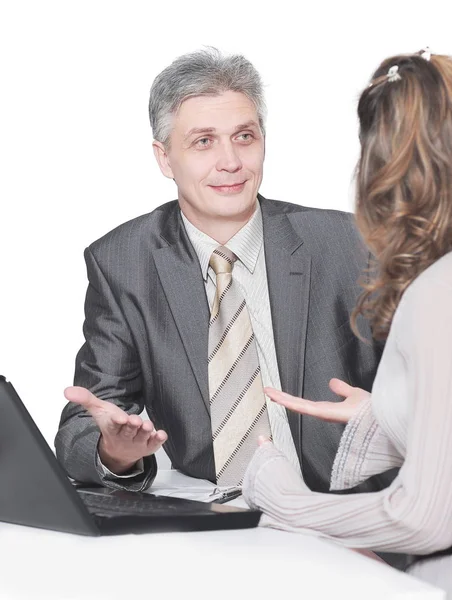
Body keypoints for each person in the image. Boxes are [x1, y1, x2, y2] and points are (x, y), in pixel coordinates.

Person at [241, 49, 452, 599]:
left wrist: (283, 497)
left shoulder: (443, 295)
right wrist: (385, 415)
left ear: (386, 167)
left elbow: (425, 519)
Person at [54, 48, 387, 495]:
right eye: (204, 141)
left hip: (347, 507)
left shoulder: (349, 243)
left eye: (245, 137)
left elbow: (430, 391)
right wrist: (114, 451)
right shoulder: (123, 262)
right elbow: (84, 421)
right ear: (164, 158)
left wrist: (389, 416)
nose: (230, 162)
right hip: (217, 519)